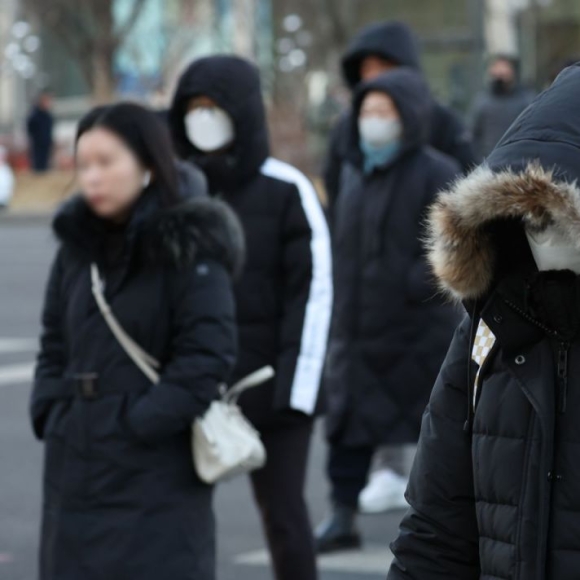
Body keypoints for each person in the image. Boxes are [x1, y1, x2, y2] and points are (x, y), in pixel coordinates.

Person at [31, 102, 244, 580]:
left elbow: (205, 359)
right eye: (83, 165)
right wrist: (50, 408)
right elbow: (53, 343)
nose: (92, 178)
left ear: (148, 163)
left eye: (107, 163)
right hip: (72, 462)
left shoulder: (188, 245)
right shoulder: (75, 248)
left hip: (154, 472)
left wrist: (136, 424)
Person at [387, 63, 580, 580]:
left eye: (559, 212)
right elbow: (434, 530)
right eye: (526, 214)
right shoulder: (492, 327)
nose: (542, 232)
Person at [169, 55, 333, 580]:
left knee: (283, 518)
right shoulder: (177, 189)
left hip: (272, 388)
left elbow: (314, 294)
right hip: (191, 386)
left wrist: (296, 394)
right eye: (193, 108)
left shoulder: (287, 188)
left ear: (240, 111)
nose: (203, 117)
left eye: (213, 107)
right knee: (172, 518)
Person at [315, 67, 461, 553]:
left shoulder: (436, 170)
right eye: (367, 112)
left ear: (409, 117)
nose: (373, 122)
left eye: (385, 112)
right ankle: (341, 515)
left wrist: (410, 283)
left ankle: (448, 528)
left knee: (437, 430)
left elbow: (452, 246)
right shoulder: (354, 171)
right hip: (355, 328)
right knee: (347, 426)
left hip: (415, 329)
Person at [324, 21, 476, 213]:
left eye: (384, 66)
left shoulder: (443, 122)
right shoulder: (348, 127)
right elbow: (334, 188)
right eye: (368, 68)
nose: (376, 76)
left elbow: (466, 186)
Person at [470, 54, 534, 160]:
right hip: (488, 162)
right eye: (496, 68)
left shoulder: (526, 100)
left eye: (504, 68)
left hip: (518, 160)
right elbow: (474, 134)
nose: (500, 72)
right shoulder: (482, 101)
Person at [27, 90, 54, 173]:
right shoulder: (34, 116)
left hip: (46, 144)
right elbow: (30, 129)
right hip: (37, 145)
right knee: (37, 166)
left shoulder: (48, 116)